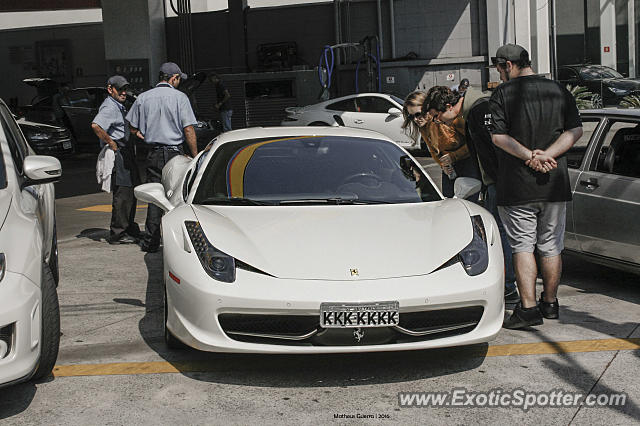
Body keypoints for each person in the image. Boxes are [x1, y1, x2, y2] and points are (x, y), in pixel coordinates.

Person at [488, 44, 583, 329]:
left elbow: (499, 138)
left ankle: (528, 309)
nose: (499, 74)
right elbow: (575, 130)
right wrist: (549, 154)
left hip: (517, 186)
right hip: (553, 183)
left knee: (522, 247)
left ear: (507, 65)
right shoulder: (558, 90)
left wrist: (530, 156)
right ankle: (550, 303)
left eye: (499, 68)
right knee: (552, 247)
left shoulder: (503, 94)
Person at [453, 84, 519, 303]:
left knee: (501, 236)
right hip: (498, 182)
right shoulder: (480, 109)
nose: (440, 121)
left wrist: (493, 182)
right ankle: (511, 286)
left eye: (438, 115)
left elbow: (490, 152)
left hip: (497, 184)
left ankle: (508, 287)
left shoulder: (478, 112)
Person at [126, 62, 198, 253]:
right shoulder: (180, 98)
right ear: (173, 78)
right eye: (178, 79)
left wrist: (146, 137)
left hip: (153, 153)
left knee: (155, 197)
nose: (179, 83)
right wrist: (194, 154)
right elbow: (188, 129)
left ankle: (150, 242)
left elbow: (132, 127)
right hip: (175, 154)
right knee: (178, 197)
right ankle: (176, 243)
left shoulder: (143, 98)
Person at [91, 75, 141, 245]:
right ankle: (117, 233)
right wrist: (111, 143)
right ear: (110, 89)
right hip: (119, 152)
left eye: (125, 89)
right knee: (123, 193)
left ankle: (129, 228)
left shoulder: (119, 106)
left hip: (126, 151)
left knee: (131, 191)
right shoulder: (110, 107)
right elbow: (96, 125)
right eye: (120, 89)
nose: (123, 92)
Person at [421, 86, 481, 198]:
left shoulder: (458, 119)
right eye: (411, 116)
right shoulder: (425, 127)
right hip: (449, 168)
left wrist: (454, 156)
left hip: (467, 164)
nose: (417, 119)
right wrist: (442, 164)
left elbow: (474, 142)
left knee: (469, 200)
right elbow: (434, 151)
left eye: (436, 116)